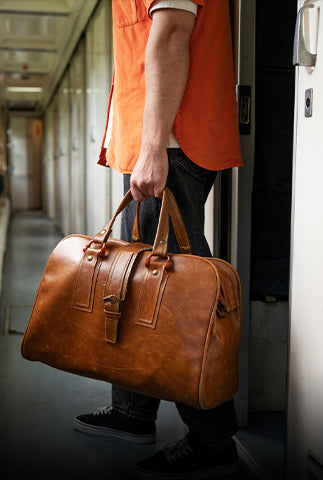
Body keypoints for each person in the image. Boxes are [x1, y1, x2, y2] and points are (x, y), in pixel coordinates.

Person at [74, 1, 243, 478]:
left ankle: (213, 440)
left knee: (179, 294)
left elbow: (169, 36)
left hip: (171, 142)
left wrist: (152, 150)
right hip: (158, 139)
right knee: (143, 279)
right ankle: (132, 411)